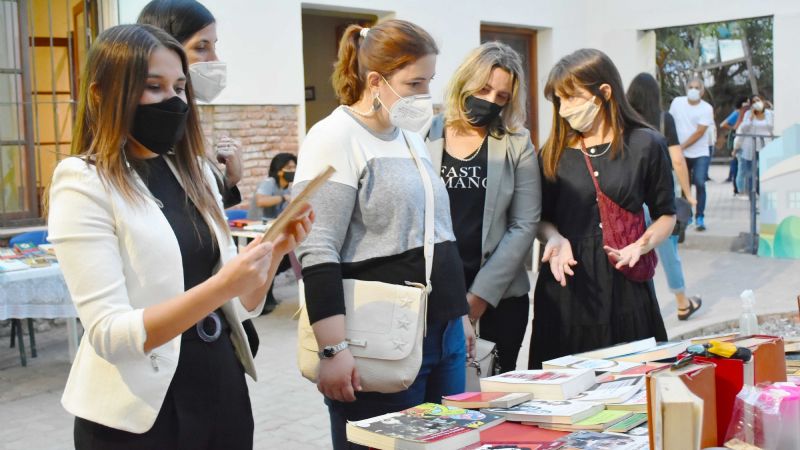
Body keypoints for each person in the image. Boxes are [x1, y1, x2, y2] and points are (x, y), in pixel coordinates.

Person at [47, 24, 312, 448]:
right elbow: (109, 334)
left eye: (179, 87)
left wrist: (273, 254)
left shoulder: (195, 173)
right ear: (102, 94)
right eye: (154, 87)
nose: (173, 101)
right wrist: (221, 285)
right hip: (140, 412)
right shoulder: (83, 182)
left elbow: (239, 305)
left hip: (220, 387)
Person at [293, 20, 473, 449]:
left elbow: (436, 230)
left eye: (429, 82)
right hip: (381, 337)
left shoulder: (406, 135)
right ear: (376, 81)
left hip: (439, 330)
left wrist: (459, 315)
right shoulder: (334, 137)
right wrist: (333, 351)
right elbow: (317, 248)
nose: (424, 96)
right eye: (414, 83)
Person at [528, 49, 675, 369]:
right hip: (567, 283)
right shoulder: (552, 152)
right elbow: (542, 219)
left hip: (624, 282)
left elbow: (667, 213)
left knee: (631, 381)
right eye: (559, 100)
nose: (565, 109)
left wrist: (642, 244)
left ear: (604, 92)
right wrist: (554, 238)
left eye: (572, 98)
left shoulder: (646, 144)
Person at [426, 41, 541, 373]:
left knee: (493, 401)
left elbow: (525, 224)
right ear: (464, 83)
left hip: (500, 299)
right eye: (484, 89)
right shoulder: (423, 135)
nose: (490, 101)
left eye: (501, 97)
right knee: (440, 408)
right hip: (435, 298)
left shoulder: (518, 143)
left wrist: (479, 297)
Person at [137, 0, 243, 209]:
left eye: (214, 46)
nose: (215, 60)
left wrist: (228, 181)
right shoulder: (149, 133)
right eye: (201, 47)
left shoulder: (187, 125)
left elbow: (196, 219)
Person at [627, 73, 703, 321]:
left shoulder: (622, 119)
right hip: (658, 200)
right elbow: (678, 160)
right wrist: (689, 195)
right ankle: (682, 303)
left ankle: (632, 309)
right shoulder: (663, 120)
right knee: (669, 252)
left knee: (630, 250)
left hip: (628, 198)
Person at [248, 152, 297, 315]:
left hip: (273, 232)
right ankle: (263, 297)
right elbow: (261, 200)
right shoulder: (269, 183)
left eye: (294, 167)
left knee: (291, 255)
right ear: (278, 170)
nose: (293, 170)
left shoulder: (287, 188)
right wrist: (283, 199)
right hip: (255, 232)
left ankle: (267, 292)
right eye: (288, 167)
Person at [669, 77, 714, 231]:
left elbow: (700, 132)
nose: (693, 90)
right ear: (686, 88)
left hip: (700, 152)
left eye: (697, 87)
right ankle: (685, 217)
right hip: (680, 153)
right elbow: (669, 123)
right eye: (690, 87)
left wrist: (681, 146)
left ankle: (700, 217)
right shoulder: (677, 103)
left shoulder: (706, 108)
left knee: (700, 182)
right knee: (683, 185)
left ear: (702, 91)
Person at [734, 94, 774, 196]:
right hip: (751, 146)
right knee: (750, 171)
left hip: (765, 145)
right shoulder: (748, 114)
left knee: (763, 169)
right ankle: (750, 192)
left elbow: (771, 127)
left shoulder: (770, 114)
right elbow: (743, 128)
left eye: (758, 100)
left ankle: (762, 191)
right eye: (754, 102)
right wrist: (751, 117)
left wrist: (763, 115)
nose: (757, 103)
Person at [721, 96, 750, 192]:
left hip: (744, 141)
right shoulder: (738, 112)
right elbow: (723, 124)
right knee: (737, 164)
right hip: (737, 139)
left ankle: (738, 187)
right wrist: (733, 128)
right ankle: (737, 188)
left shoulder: (748, 113)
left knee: (739, 165)